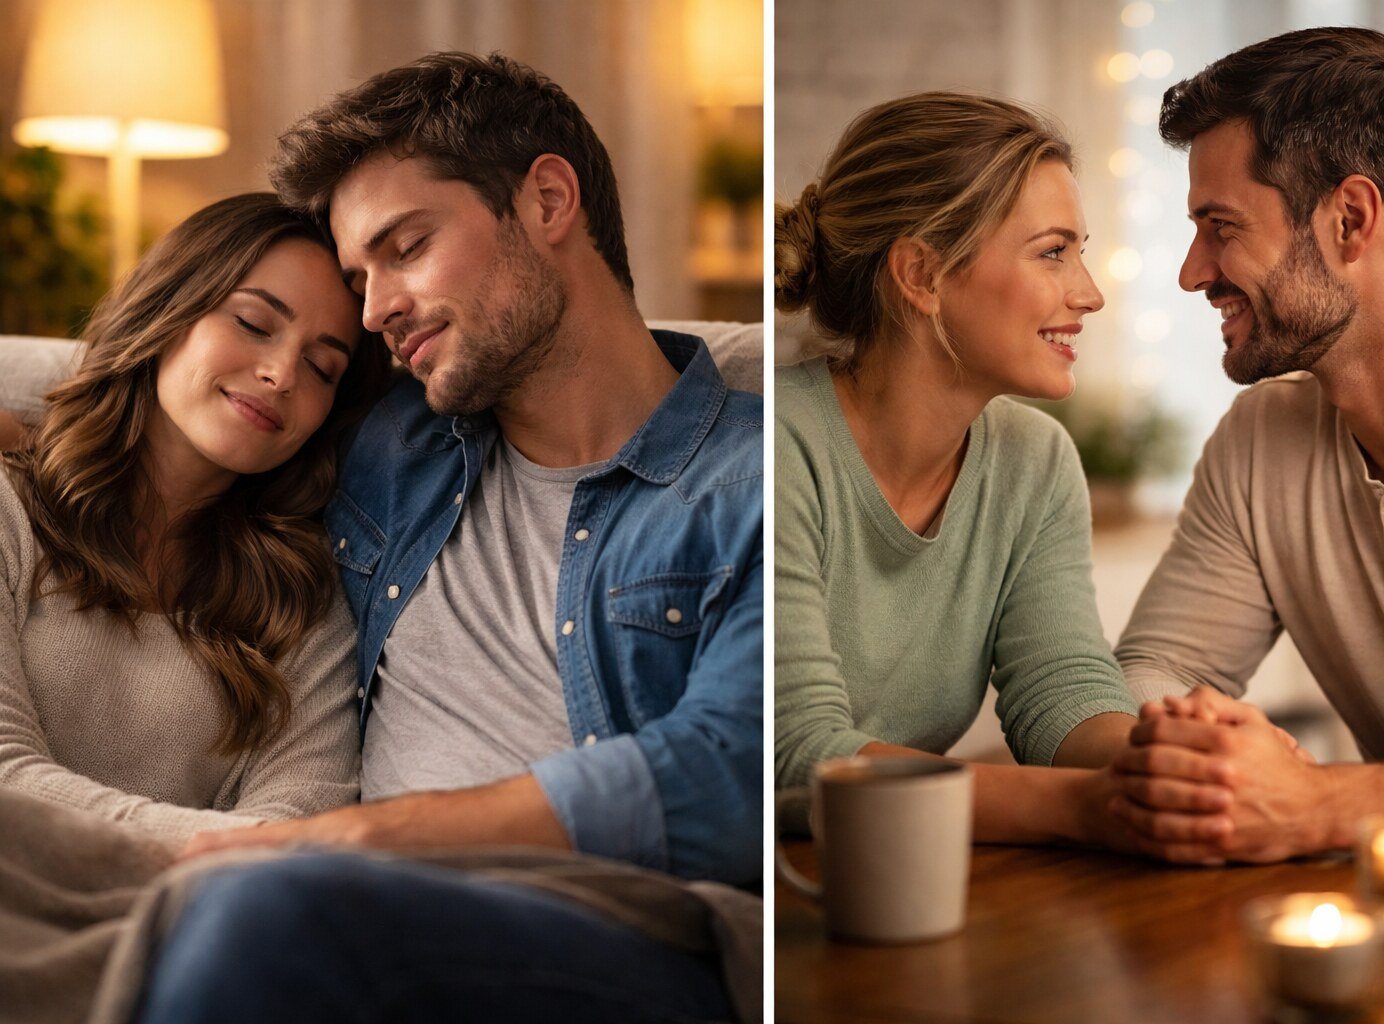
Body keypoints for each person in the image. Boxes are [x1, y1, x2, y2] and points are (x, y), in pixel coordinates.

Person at [132, 53, 761, 1024]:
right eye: (360, 277)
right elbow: (185, 410)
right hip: (361, 924)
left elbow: (729, 768)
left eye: (407, 247)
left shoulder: (755, 480)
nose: (374, 309)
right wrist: (37, 433)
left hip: (630, 938)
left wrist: (355, 840)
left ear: (548, 200)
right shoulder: (392, 441)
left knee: (259, 912)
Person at [1109, 26, 1384, 863]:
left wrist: (1312, 803)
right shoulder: (1258, 442)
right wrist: (1211, 760)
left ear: (1350, 219)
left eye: (1220, 226)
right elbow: (1156, 671)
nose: (1193, 273)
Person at [773, 92, 1231, 859]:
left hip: (903, 866)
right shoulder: (778, 447)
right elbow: (798, 751)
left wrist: (1172, 765)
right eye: (1053, 252)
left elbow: (1062, 689)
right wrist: (1087, 806)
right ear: (921, 274)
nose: (1089, 293)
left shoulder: (1034, 460)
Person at [0, 192, 387, 844]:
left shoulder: (301, 598)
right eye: (254, 323)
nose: (281, 374)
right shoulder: (11, 508)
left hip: (206, 907)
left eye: (322, 367)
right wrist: (222, 847)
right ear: (169, 308)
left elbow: (301, 826)